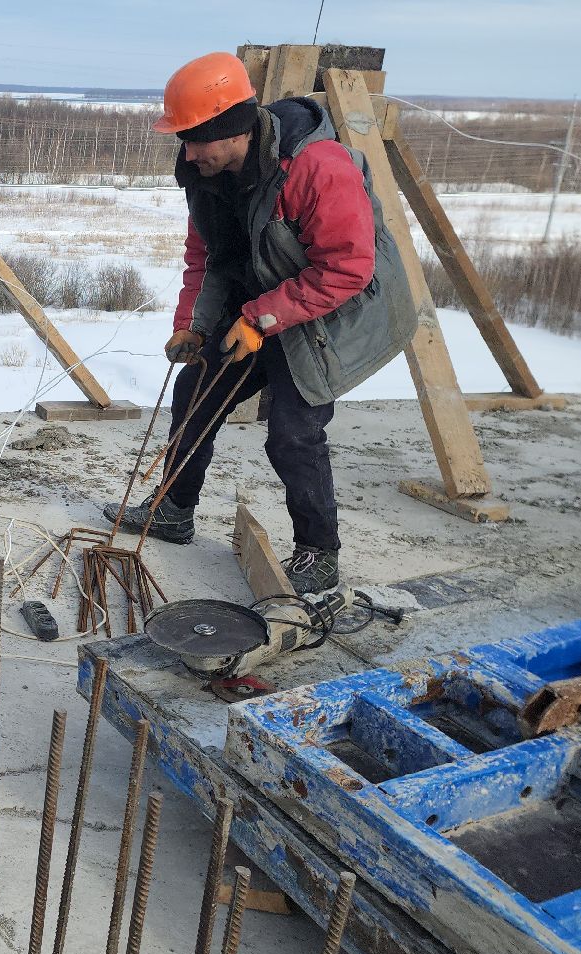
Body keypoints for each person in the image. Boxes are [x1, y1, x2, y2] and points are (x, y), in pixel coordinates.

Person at [105, 52, 416, 595]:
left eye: (195, 138)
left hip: (333, 313)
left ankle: (319, 552)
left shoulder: (317, 167)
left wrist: (259, 318)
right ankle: (174, 510)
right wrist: (193, 324)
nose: (187, 151)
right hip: (265, 303)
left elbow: (347, 269)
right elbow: (206, 256)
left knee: (293, 432)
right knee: (196, 390)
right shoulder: (205, 174)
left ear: (231, 130)